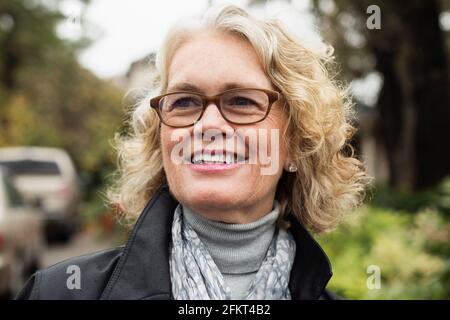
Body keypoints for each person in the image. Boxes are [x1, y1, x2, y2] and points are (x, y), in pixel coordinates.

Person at [17, 4, 370, 300]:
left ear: (296, 142)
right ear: (161, 136)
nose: (207, 125)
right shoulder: (58, 293)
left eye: (242, 101)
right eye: (185, 101)